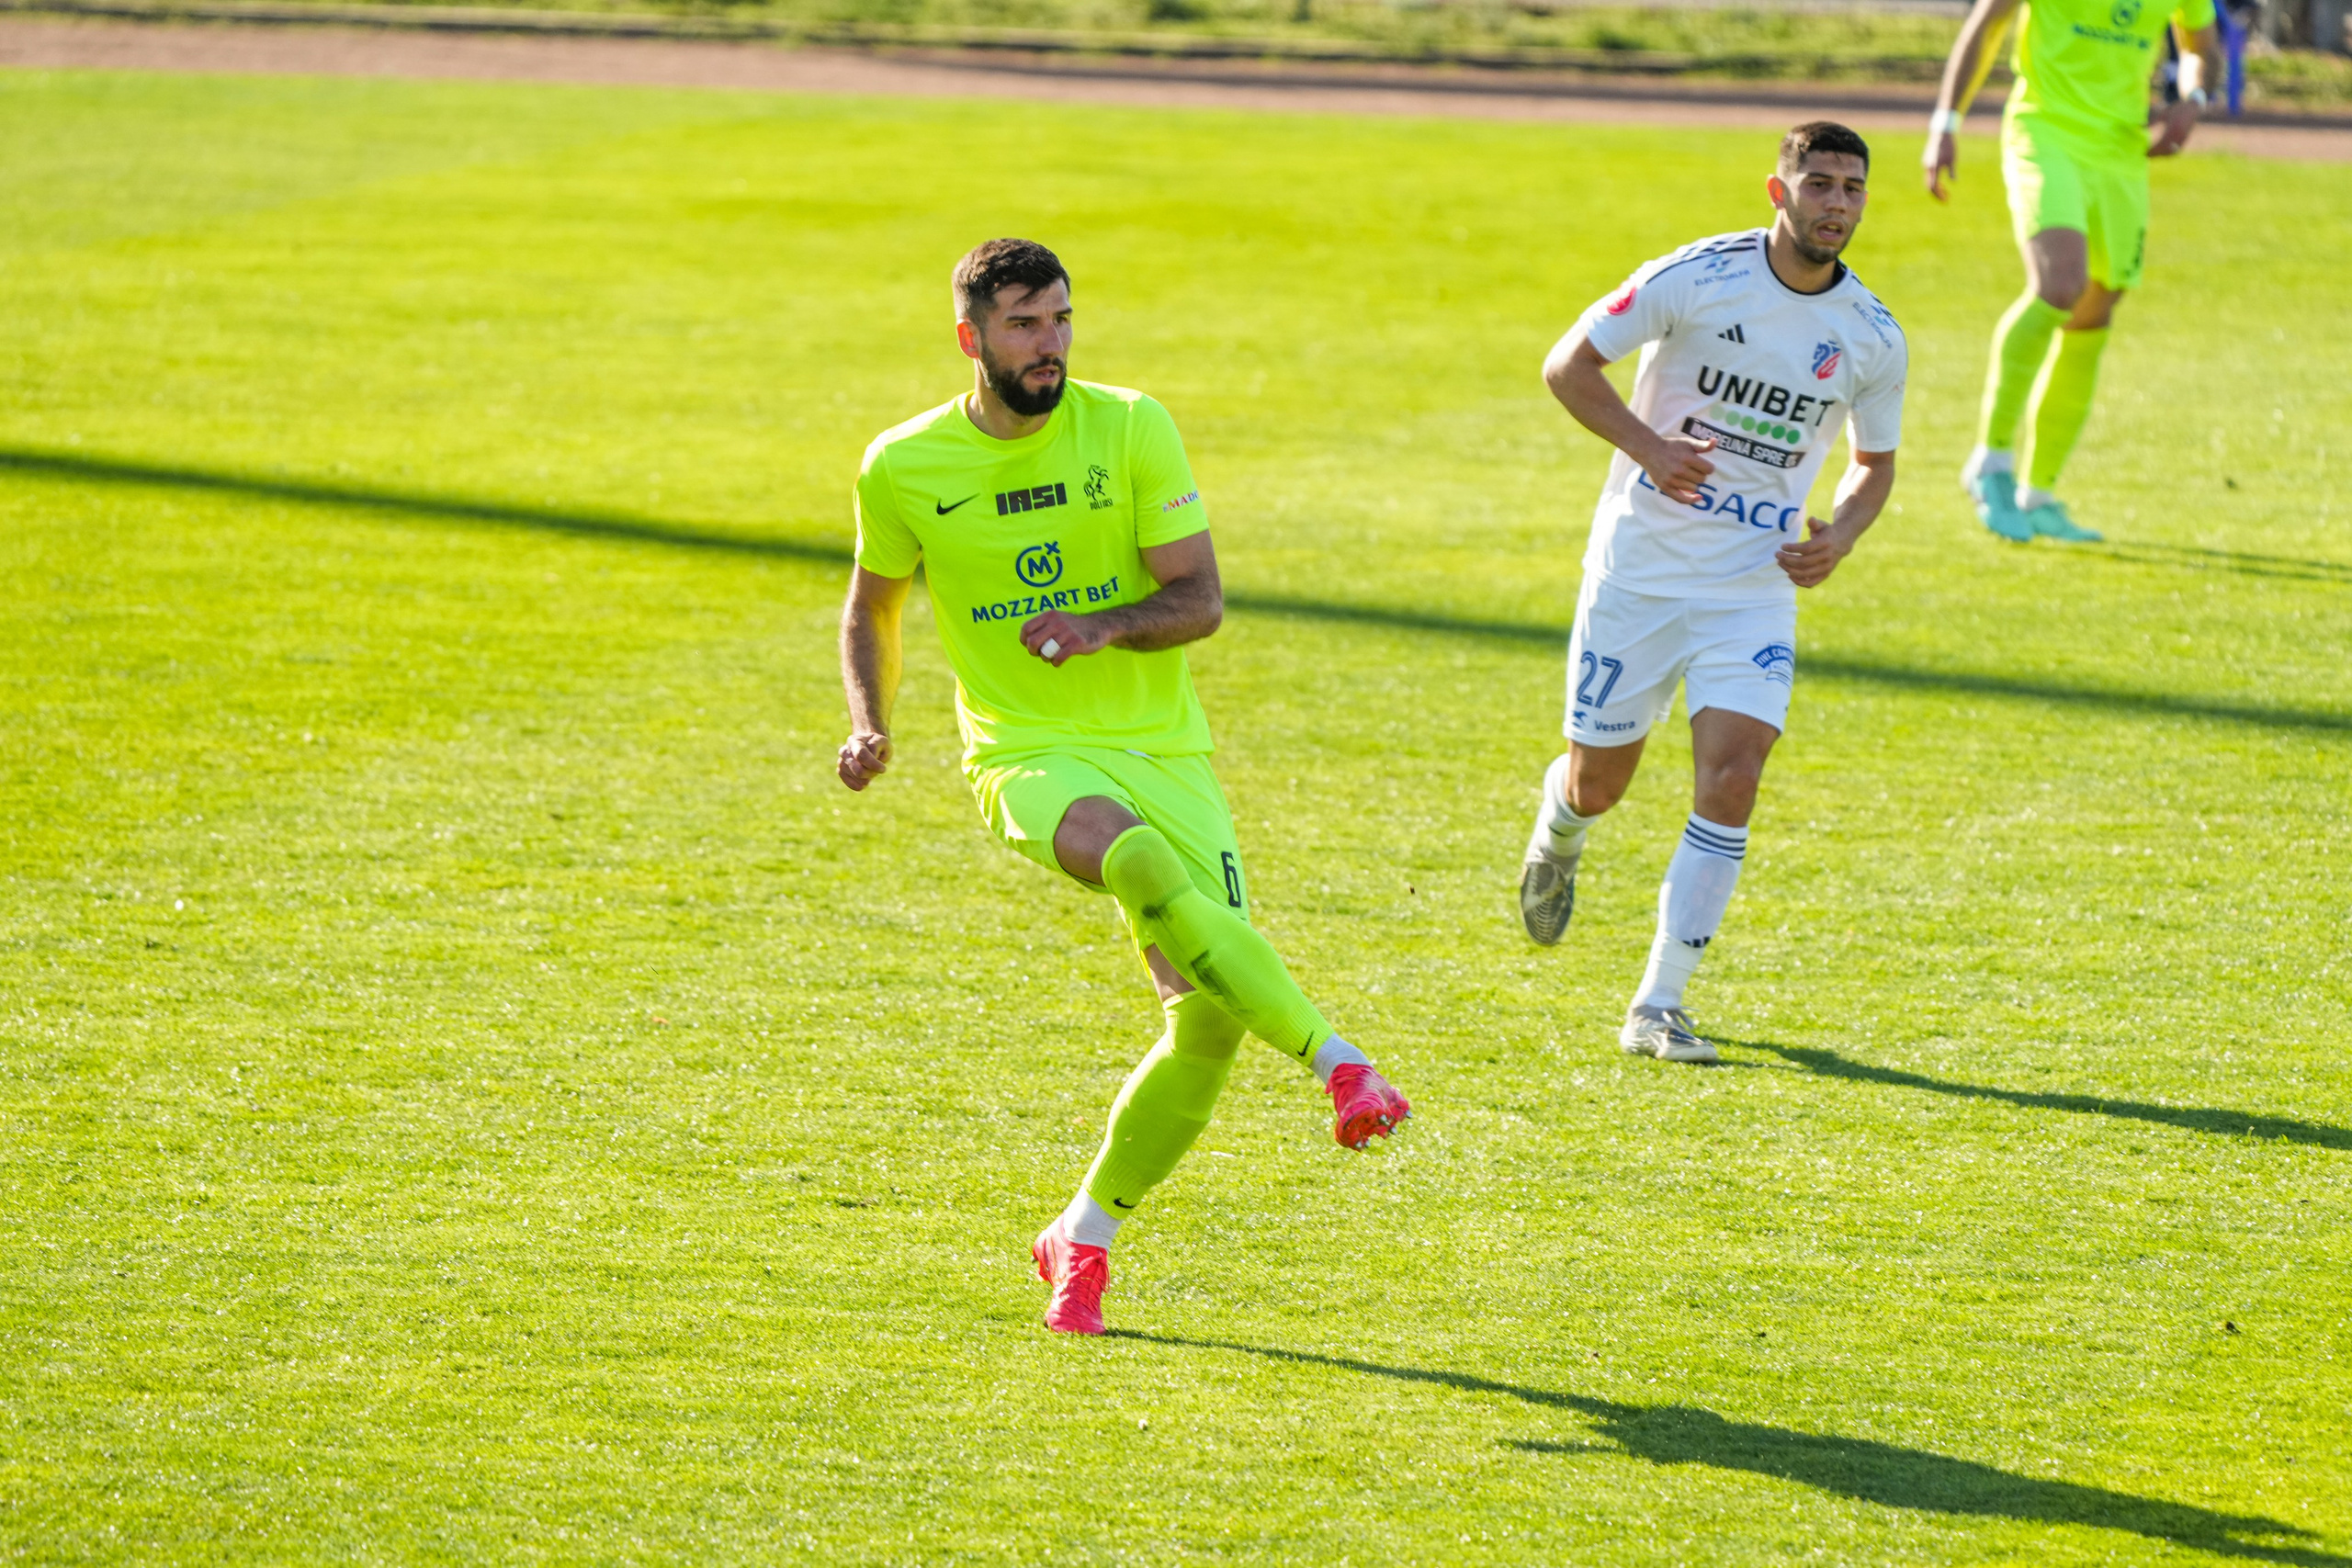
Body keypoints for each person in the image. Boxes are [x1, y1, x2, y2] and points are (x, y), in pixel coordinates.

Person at [837, 239, 1411, 1335]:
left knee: (1205, 1026)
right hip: (1023, 748)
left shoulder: (1133, 424)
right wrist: (871, 724)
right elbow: (872, 608)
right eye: (1021, 326)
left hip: (1164, 748)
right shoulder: (902, 464)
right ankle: (1344, 1067)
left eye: (1058, 320)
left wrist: (1099, 627)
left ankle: (1083, 1236)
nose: (1047, 345)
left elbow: (1197, 600)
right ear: (971, 340)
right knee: (1127, 854)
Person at [1517, 123, 1907, 1064]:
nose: (1836, 205)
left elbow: (1874, 465)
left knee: (1733, 777)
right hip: (1639, 574)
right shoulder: (1694, 276)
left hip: (1752, 588)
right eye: (1818, 185)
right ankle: (1559, 826)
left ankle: (1658, 1003)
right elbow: (1566, 365)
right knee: (1599, 783)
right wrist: (1648, 448)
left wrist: (1841, 534)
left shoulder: (1871, 336)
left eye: (1852, 189)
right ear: (1777, 193)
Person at [1928, 0, 2219, 542]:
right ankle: (1989, 461)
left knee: (2094, 310)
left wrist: (2192, 98)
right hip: (2046, 131)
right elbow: (1988, 23)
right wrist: (1946, 123)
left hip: (2122, 153)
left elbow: (2202, 46)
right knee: (2060, 285)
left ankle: (2039, 494)